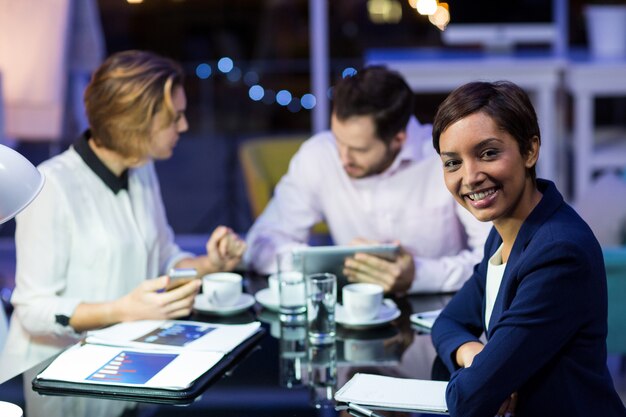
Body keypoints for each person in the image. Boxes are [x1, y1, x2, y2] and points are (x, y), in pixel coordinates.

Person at [3, 50, 246, 376]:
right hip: (51, 374)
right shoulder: (52, 187)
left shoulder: (140, 168)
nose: (184, 126)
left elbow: (163, 258)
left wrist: (210, 264)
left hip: (121, 365)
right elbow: (33, 309)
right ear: (134, 123)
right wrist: (122, 310)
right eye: (174, 118)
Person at [430, 80, 626, 416]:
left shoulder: (558, 252)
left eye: (488, 153)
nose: (470, 176)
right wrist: (474, 355)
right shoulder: (504, 232)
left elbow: (470, 397)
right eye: (453, 163)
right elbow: (446, 323)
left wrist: (484, 378)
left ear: (530, 150)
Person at [244, 66, 490, 294]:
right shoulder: (319, 155)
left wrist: (419, 275)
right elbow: (261, 245)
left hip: (445, 313)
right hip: (351, 315)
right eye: (338, 141)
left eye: (359, 150)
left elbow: (495, 259)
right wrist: (326, 266)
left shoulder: (446, 159)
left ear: (399, 139)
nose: (343, 158)